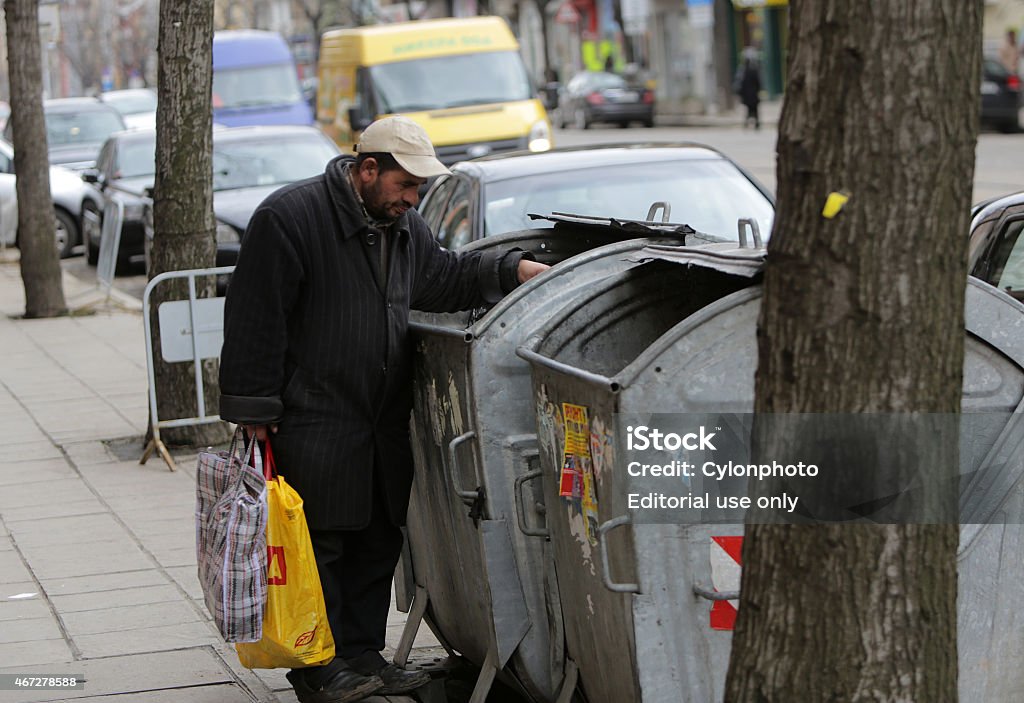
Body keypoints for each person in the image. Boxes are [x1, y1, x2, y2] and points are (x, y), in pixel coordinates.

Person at [219, 116, 548, 703]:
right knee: (322, 546)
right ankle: (318, 668)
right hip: (313, 416)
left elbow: (443, 279)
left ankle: (364, 655)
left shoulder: (402, 227)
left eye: (419, 189)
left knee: (376, 539)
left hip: (379, 423)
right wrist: (254, 406)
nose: (413, 199)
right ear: (367, 170)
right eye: (406, 185)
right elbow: (254, 318)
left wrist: (509, 269)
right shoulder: (290, 218)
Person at [736, 48, 762, 130]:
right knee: (753, 110)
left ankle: (750, 123)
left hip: (748, 94)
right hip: (752, 94)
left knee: (750, 110)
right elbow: (758, 82)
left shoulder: (743, 70)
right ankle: (755, 123)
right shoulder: (752, 70)